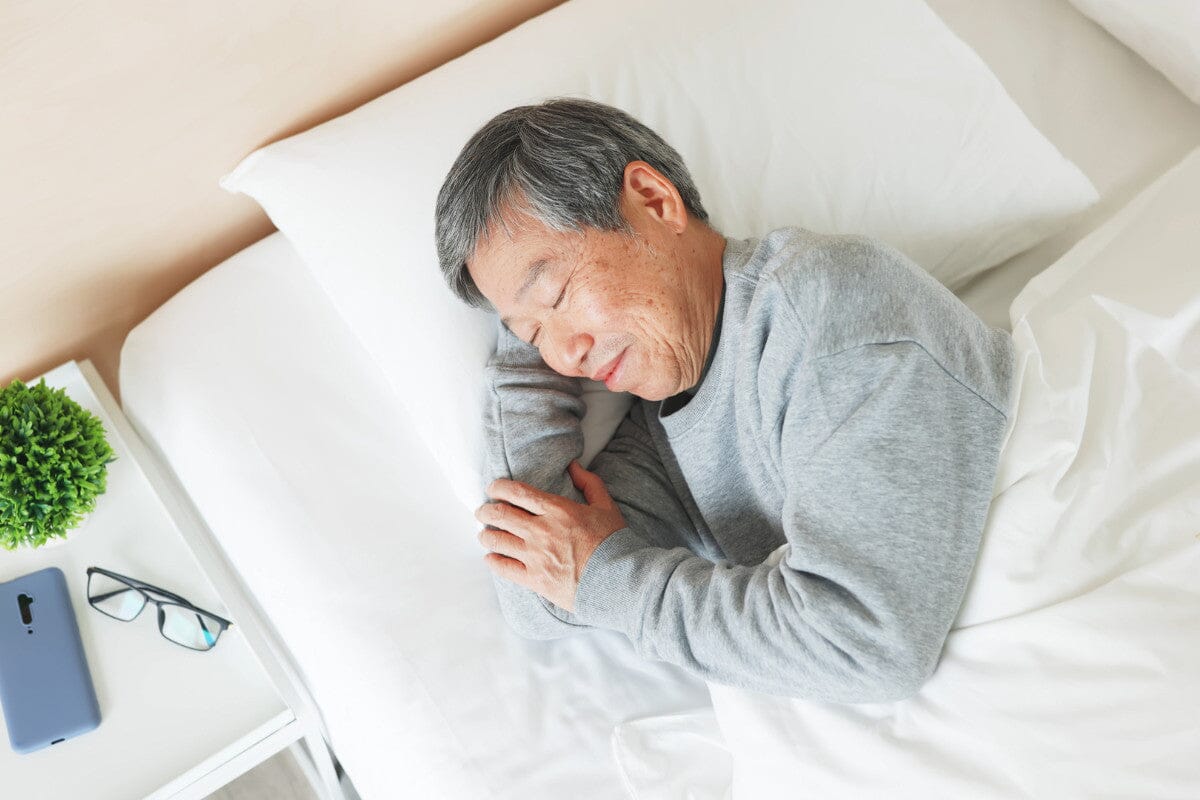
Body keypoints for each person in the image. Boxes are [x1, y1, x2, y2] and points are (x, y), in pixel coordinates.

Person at [433, 97, 1015, 702]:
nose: (564, 355)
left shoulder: (825, 306)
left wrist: (611, 578)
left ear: (655, 201)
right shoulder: (661, 432)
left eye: (555, 295)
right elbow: (539, 592)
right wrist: (523, 345)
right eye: (532, 337)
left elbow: (865, 641)